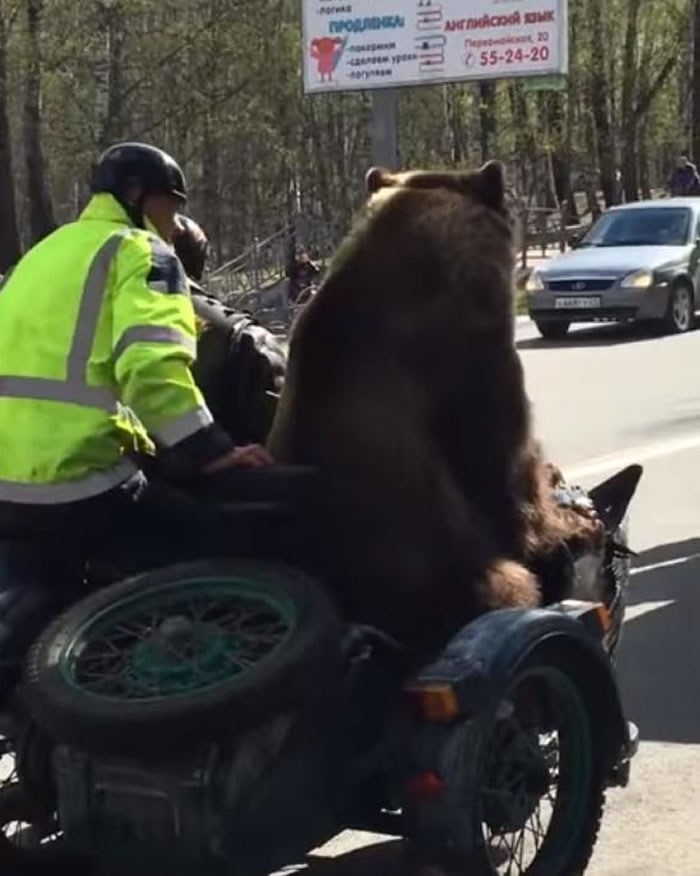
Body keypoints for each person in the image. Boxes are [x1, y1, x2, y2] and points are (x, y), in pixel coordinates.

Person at [0, 142, 285, 702]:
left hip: (9, 489)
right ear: (138, 197)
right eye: (171, 208)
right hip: (77, 482)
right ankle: (202, 703)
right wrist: (210, 449)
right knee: (224, 544)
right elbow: (151, 368)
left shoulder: (43, 253)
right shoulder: (143, 253)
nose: (175, 224)